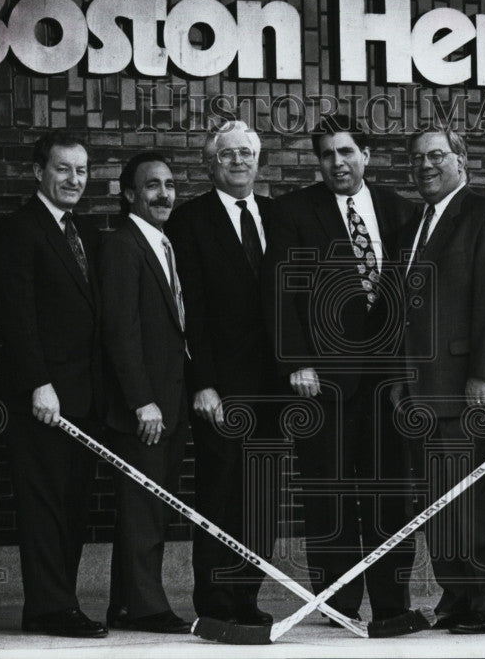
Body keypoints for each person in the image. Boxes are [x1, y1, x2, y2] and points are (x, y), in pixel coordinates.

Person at [264, 113, 416, 623]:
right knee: (327, 494)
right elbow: (279, 292)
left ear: (366, 155)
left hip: (388, 382)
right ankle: (338, 602)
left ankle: (393, 603)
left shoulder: (401, 211)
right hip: (322, 381)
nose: (337, 163)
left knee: (389, 493)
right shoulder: (292, 211)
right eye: (327, 154)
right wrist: (297, 362)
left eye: (347, 151)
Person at [392, 127, 485, 634]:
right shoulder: (411, 227)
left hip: (469, 386)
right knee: (441, 503)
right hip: (421, 391)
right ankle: (457, 595)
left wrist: (483, 376)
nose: (426, 165)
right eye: (418, 158)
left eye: (437, 155)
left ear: (461, 160)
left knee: (481, 500)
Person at [0, 131, 107, 638]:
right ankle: (49, 608)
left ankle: (57, 603)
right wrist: (39, 383)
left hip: (83, 398)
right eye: (63, 169)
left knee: (73, 505)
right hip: (44, 399)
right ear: (39, 171)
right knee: (44, 508)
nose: (73, 180)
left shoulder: (83, 232)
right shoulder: (18, 229)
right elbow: (17, 317)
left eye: (80, 171)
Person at [165, 120, 280, 626]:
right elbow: (188, 312)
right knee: (220, 491)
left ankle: (247, 596)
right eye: (227, 154)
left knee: (261, 494)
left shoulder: (279, 216)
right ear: (210, 164)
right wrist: (203, 383)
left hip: (276, 388)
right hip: (222, 387)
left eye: (246, 153)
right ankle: (215, 600)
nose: (238, 161)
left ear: (259, 161)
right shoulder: (189, 222)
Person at [100, 153, 191, 634]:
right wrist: (142, 400)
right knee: (145, 509)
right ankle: (147, 607)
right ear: (129, 195)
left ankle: (124, 602)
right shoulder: (122, 246)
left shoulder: (162, 243)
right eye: (151, 185)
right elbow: (120, 331)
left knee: (147, 507)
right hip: (145, 409)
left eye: (170, 184)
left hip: (168, 403)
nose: (164, 194)